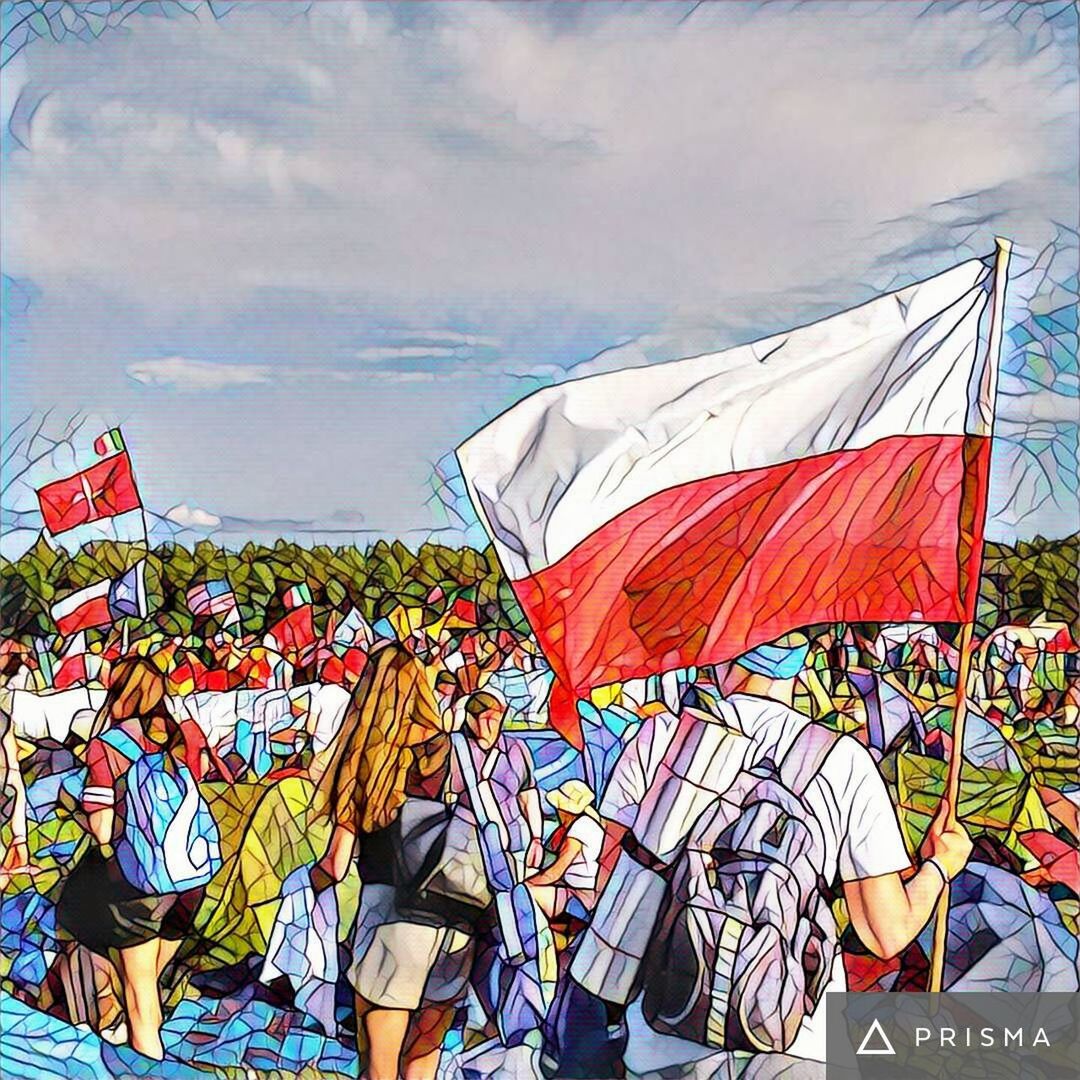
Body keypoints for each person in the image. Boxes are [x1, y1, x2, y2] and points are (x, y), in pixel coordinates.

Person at [566, 636, 973, 1070]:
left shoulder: (660, 737)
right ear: (802, 663)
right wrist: (939, 866)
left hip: (664, 1037)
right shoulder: (844, 761)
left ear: (719, 654)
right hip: (794, 1039)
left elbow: (607, 888)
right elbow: (885, 934)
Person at [312, 639, 470, 1080]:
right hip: (455, 917)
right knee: (423, 1058)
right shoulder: (453, 752)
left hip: (390, 917)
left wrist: (311, 886)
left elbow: (336, 863)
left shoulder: (368, 758)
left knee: (379, 1065)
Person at [57, 656, 214, 1060]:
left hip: (142, 879)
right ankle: (125, 1016)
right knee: (146, 973)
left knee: (141, 996)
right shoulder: (187, 735)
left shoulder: (107, 746)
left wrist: (75, 806)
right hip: (191, 876)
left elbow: (104, 829)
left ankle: (147, 1054)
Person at [525, 779, 605, 920]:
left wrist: (525, 884)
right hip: (575, 889)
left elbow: (555, 873)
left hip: (580, 898)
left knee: (526, 894)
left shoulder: (578, 830)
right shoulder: (586, 823)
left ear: (565, 810)